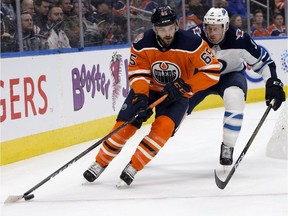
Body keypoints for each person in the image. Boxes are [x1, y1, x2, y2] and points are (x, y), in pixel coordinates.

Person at [83, 5, 221, 187]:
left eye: (170, 28)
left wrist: (185, 86)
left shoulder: (192, 43)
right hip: (148, 89)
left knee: (162, 129)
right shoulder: (142, 43)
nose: (167, 33)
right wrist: (141, 97)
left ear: (176, 25)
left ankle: (134, 166)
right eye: (162, 29)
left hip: (177, 95)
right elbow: (138, 72)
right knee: (123, 127)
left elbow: (212, 71)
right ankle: (100, 162)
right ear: (155, 29)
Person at [188, 8, 286, 166]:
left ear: (226, 27)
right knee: (176, 111)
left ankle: (228, 145)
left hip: (231, 75)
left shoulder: (239, 39)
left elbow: (264, 63)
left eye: (216, 28)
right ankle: (152, 147)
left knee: (235, 99)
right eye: (209, 28)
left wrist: (272, 82)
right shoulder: (192, 37)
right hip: (201, 77)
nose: (212, 32)